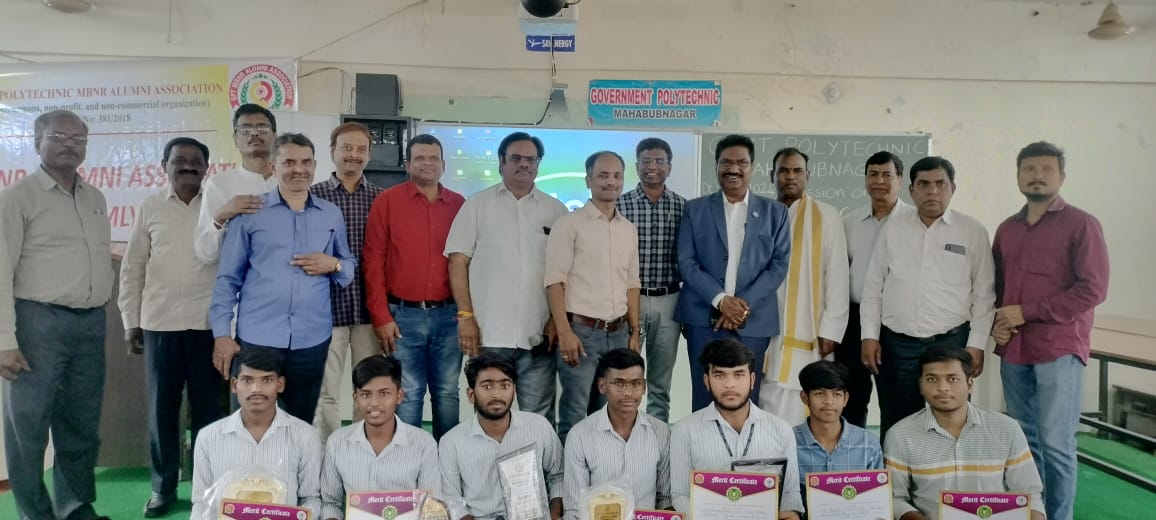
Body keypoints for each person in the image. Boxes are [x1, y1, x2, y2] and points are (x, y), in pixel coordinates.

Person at [0, 109, 114, 520]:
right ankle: (35, 513)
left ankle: (75, 506)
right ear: (36, 143)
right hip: (37, 323)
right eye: (59, 137)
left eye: (78, 139)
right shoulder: (17, 198)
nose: (70, 144)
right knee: (28, 426)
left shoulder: (95, 198)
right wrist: (4, 340)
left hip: (90, 323)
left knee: (81, 423)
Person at [991, 141, 1109, 520]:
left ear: (1062, 177)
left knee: (1056, 443)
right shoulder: (1007, 229)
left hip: (1059, 347)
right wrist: (999, 324)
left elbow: (1092, 290)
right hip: (1015, 350)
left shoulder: (1082, 224)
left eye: (1046, 169)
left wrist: (1025, 312)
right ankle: (1033, 514)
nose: (1037, 176)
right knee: (1024, 443)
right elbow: (998, 287)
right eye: (1029, 169)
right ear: (1018, 176)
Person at [210, 133, 357, 423]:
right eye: (289, 162)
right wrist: (221, 334)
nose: (298, 169)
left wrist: (334, 264)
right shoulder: (250, 212)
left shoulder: (331, 214)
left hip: (312, 338)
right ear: (273, 167)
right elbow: (227, 279)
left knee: (300, 423)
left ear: (315, 165)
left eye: (305, 162)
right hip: (258, 337)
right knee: (252, 421)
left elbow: (348, 266)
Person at [118, 137, 225, 517]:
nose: (188, 166)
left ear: (207, 168)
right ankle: (162, 488)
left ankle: (206, 488)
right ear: (164, 164)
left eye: (196, 161)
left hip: (208, 326)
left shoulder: (217, 206)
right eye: (180, 159)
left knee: (209, 413)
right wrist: (131, 321)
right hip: (159, 325)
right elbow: (133, 267)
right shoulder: (150, 207)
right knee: (162, 411)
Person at [859, 156, 995, 440]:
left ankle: (949, 470)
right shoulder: (893, 228)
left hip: (951, 342)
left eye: (940, 184)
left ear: (953, 188)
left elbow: (984, 294)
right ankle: (897, 471)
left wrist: (976, 344)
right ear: (911, 190)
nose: (932, 191)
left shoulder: (972, 231)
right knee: (897, 422)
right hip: (896, 345)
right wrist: (869, 336)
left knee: (952, 418)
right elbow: (873, 287)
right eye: (923, 184)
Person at [445, 132, 569, 423]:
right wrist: (465, 316)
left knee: (537, 419)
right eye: (516, 158)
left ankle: (535, 458)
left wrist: (556, 320)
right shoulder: (477, 205)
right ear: (501, 162)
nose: (524, 164)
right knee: (490, 413)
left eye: (531, 159)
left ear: (538, 164)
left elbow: (565, 272)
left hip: (539, 335)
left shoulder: (556, 211)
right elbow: (457, 262)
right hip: (489, 334)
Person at [675, 134, 791, 410]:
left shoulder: (775, 212)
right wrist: (721, 301)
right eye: (726, 162)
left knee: (746, 397)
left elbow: (778, 264)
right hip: (704, 320)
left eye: (741, 162)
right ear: (716, 166)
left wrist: (740, 307)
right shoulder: (695, 209)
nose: (734, 169)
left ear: (752, 167)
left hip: (753, 321)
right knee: (704, 395)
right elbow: (686, 262)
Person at [364, 133, 466, 440]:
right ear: (408, 165)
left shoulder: (459, 205)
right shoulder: (387, 202)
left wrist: (467, 315)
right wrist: (381, 316)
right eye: (419, 158)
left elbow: (467, 262)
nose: (427, 164)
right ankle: (409, 462)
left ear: (443, 165)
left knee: (447, 392)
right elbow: (373, 261)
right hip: (402, 317)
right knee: (408, 394)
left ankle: (448, 459)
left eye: (433, 158)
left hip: (449, 316)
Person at [884, 346, 1044, 520]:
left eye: (952, 379)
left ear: (969, 384)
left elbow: (1029, 494)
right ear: (921, 386)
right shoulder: (900, 435)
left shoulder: (1006, 429)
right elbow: (895, 499)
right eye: (931, 379)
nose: (942, 387)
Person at [545, 150, 641, 440]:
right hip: (581, 334)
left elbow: (632, 284)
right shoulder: (569, 224)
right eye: (603, 175)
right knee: (574, 413)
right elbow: (554, 282)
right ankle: (569, 470)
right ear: (588, 180)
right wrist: (565, 332)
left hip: (619, 333)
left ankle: (603, 470)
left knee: (609, 414)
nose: (610, 182)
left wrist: (634, 332)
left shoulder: (628, 229)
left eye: (616, 176)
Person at [760, 147, 849, 425]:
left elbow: (837, 275)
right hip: (766, 329)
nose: (790, 176)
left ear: (808, 175)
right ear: (772, 175)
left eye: (797, 170)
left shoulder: (826, 215)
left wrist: (831, 329)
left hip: (810, 330)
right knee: (767, 397)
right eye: (783, 171)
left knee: (808, 394)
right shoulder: (762, 213)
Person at [310, 123, 387, 441]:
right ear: (332, 151)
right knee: (325, 391)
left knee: (369, 389)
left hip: (370, 311)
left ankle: (361, 451)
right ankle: (328, 455)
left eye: (361, 149)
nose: (353, 155)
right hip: (325, 310)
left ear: (369, 154)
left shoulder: (381, 198)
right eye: (346, 148)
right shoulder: (313, 195)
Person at [670, 339, 804, 519]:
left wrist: (792, 514)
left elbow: (790, 493)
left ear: (752, 380)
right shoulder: (684, 430)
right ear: (707, 381)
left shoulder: (781, 429)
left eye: (739, 374)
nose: (730, 384)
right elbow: (680, 495)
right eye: (720, 375)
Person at [190, 348, 323, 520]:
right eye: (247, 380)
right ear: (235, 385)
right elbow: (201, 503)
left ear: (280, 384)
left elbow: (311, 499)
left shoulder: (305, 436)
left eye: (267, 380)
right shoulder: (208, 438)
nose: (256, 389)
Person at [438, 352, 564, 520]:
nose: (497, 395)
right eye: (487, 387)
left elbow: (559, 475)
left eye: (505, 385)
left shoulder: (538, 427)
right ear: (471, 394)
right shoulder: (451, 442)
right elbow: (451, 500)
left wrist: (554, 514)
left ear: (514, 390)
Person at [838, 151, 912, 427]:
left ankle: (892, 454)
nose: (879, 181)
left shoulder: (915, 221)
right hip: (854, 320)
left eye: (887, 175)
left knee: (895, 398)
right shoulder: (849, 222)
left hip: (896, 322)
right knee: (851, 396)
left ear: (900, 180)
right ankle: (854, 454)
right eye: (873, 174)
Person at [616, 137, 687, 422]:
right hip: (626, 302)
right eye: (646, 161)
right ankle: (621, 431)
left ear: (669, 166)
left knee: (660, 381)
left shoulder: (683, 207)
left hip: (669, 301)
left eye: (659, 161)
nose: (652, 166)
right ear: (637, 166)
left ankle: (656, 434)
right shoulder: (619, 205)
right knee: (622, 374)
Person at [320, 355, 440, 520]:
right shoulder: (337, 443)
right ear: (355, 398)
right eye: (365, 394)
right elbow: (330, 503)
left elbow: (431, 506)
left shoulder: (424, 444)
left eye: (384, 393)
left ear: (399, 396)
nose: (374, 403)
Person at [562, 349, 670, 519]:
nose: (628, 393)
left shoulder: (661, 432)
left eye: (635, 384)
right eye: (619, 384)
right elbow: (574, 508)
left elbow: (665, 499)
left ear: (644, 387)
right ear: (602, 385)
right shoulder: (579, 436)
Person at [193, 103, 278, 264]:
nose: (254, 133)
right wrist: (220, 217)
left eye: (262, 128)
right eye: (245, 129)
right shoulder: (219, 185)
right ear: (235, 139)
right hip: (240, 279)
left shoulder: (291, 180)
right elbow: (206, 255)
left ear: (275, 136)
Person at [791, 360, 882, 503]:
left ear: (846, 399)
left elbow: (877, 499)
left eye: (837, 394)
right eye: (820, 393)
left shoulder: (868, 444)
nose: (829, 401)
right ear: (805, 397)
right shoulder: (788, 442)